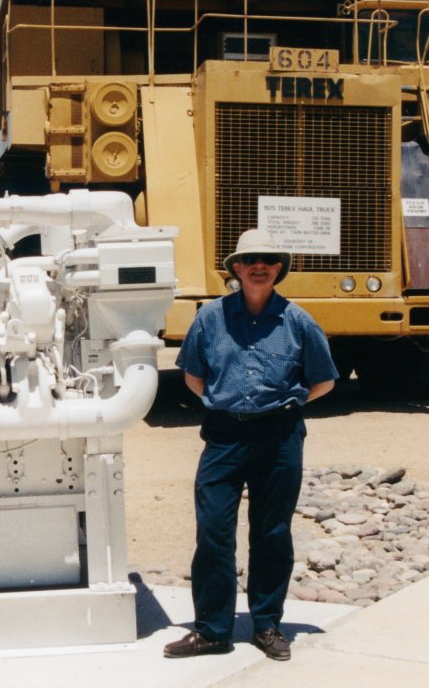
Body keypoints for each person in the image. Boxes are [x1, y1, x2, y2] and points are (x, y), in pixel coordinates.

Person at [163, 229, 337, 662]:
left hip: (279, 438)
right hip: (224, 436)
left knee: (272, 533)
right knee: (215, 533)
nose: (259, 265)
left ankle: (268, 625)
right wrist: (222, 404)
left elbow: (324, 380)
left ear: (278, 269)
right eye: (250, 259)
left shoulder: (298, 321)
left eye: (269, 259)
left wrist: (285, 406)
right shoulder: (210, 318)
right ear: (236, 268)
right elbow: (192, 373)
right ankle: (212, 630)